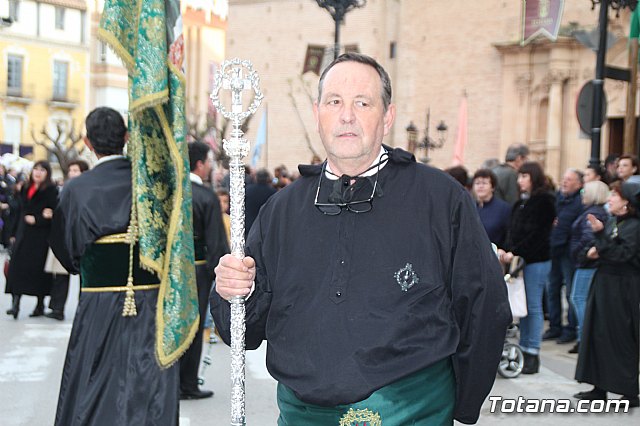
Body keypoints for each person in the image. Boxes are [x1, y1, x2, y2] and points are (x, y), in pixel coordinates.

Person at [211, 53, 511, 425]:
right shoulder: (281, 210)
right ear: (317, 111)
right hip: (303, 416)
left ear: (387, 117)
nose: (347, 115)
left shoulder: (442, 199)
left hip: (413, 412)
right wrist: (232, 290)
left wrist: (463, 403)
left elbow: (484, 305)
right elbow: (242, 329)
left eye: (363, 103)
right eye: (335, 102)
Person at [49, 107, 179, 425]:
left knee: (92, 383)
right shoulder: (153, 183)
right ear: (125, 137)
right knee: (147, 386)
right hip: (150, 303)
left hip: (98, 304)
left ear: (87, 143)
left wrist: (91, 264)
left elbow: (65, 250)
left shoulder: (76, 189)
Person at [574, 180, 640, 408]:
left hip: (622, 289)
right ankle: (597, 387)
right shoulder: (613, 221)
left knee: (619, 336)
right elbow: (592, 250)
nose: (610, 199)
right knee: (597, 334)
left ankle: (629, 391)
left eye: (615, 195)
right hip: (603, 283)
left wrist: (601, 241)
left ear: (627, 203)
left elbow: (622, 254)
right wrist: (592, 250)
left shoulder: (634, 226)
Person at [180, 141, 229, 400]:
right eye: (208, 161)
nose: (210, 166)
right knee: (194, 325)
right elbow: (217, 242)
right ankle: (187, 383)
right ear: (199, 164)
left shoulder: (171, 192)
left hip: (168, 271)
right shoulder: (205, 196)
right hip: (197, 271)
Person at [499, 161, 556, 374]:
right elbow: (513, 230)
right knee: (522, 307)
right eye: (519, 177)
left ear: (533, 177)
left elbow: (539, 234)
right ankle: (523, 348)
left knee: (532, 306)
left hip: (536, 260)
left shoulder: (544, 201)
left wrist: (519, 251)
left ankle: (532, 350)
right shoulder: (520, 202)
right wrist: (506, 249)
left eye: (524, 176)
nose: (519, 180)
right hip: (519, 261)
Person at [5, 160, 58, 319]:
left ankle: (40, 304)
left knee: (38, 271)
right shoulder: (25, 187)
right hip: (23, 233)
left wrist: (38, 219)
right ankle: (15, 304)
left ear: (47, 173)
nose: (38, 172)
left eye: (42, 170)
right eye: (36, 169)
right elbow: (19, 211)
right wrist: (13, 233)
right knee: (16, 269)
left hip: (40, 237)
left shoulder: (50, 189)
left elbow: (53, 212)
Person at [45, 159, 90, 321]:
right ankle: (57, 308)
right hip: (65, 237)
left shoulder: (89, 189)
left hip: (82, 237)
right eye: (71, 170)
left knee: (85, 277)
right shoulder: (64, 189)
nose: (72, 173)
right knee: (61, 276)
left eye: (76, 170)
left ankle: (83, 309)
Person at [567, 180, 609, 355]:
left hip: (586, 265)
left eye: (585, 191)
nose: (582, 194)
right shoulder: (594, 212)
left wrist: (580, 255)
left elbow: (588, 239)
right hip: (586, 263)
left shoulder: (592, 214)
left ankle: (584, 338)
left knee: (578, 298)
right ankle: (583, 338)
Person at [543, 168, 583, 344]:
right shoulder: (557, 198)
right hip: (554, 248)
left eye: (569, 179)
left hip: (569, 252)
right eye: (564, 178)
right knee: (552, 289)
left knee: (570, 293)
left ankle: (571, 328)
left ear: (579, 184)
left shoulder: (580, 202)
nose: (564, 182)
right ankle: (555, 326)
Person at [472, 168, 511, 247]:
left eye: (484, 183)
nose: (480, 186)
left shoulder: (503, 208)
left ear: (492, 187)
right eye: (477, 183)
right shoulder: (470, 207)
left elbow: (508, 235)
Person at [245, 168, 277, 238]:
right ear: (267, 178)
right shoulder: (273, 192)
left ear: (256, 178)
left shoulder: (248, 190)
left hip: (249, 224)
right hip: (265, 226)